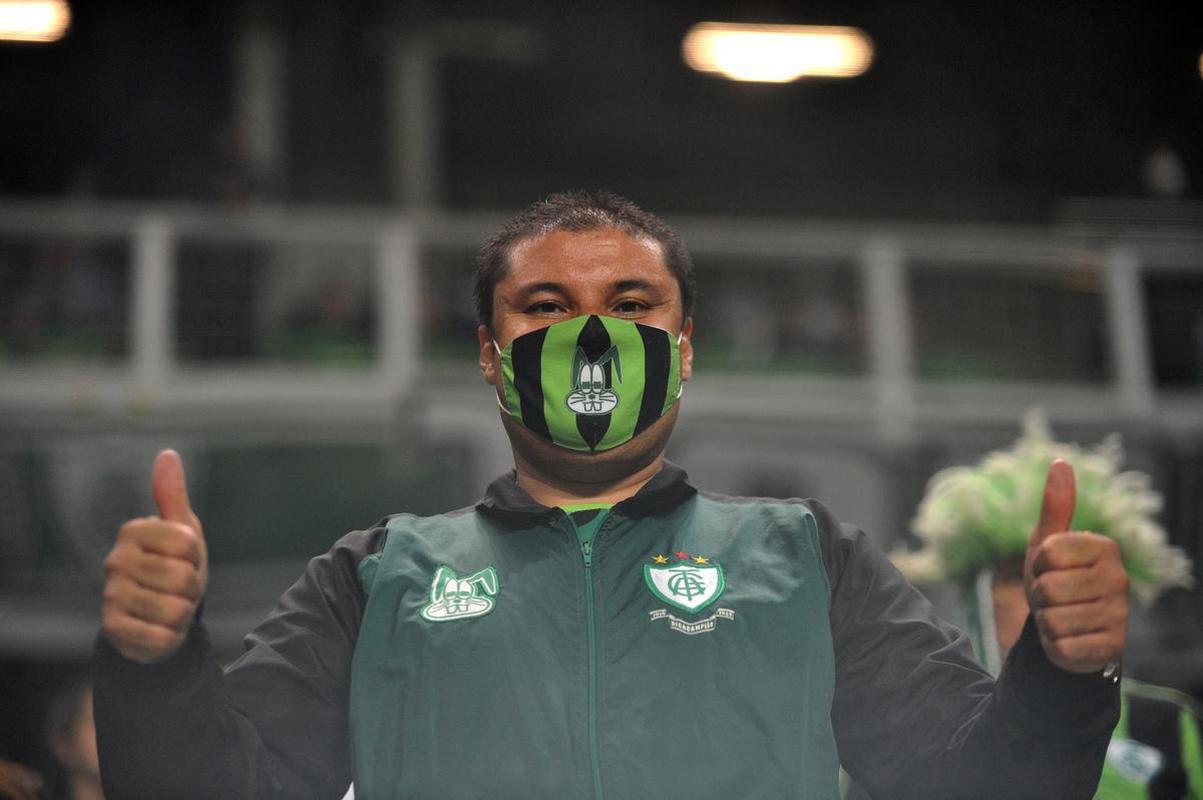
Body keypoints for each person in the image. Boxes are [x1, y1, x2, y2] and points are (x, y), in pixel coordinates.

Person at [94, 191, 1131, 799]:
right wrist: (153, 663)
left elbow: (987, 786)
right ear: (493, 358)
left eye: (631, 305)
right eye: (546, 306)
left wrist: (1063, 668)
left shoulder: (807, 559)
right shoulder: (375, 580)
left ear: (682, 352)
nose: (592, 334)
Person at [888, 413, 1202, 799]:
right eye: (1019, 576)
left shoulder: (1165, 723)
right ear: (976, 594)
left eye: (1076, 571)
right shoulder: (909, 723)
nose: (1047, 591)